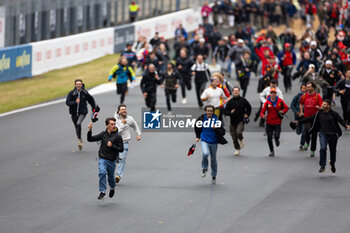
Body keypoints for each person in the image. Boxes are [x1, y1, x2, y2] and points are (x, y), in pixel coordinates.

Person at [294, 100, 350, 173]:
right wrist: (299, 122)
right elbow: (310, 118)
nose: (323, 105)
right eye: (323, 104)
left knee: (333, 151)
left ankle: (332, 163)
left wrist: (346, 125)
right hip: (323, 134)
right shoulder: (319, 113)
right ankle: (322, 166)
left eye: (325, 104)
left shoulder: (333, 114)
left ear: (329, 106)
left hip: (333, 134)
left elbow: (340, 120)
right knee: (323, 148)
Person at [87, 118, 124, 200]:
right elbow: (90, 139)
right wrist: (90, 130)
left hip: (111, 160)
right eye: (111, 124)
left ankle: (112, 187)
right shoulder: (103, 134)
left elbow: (121, 149)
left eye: (114, 124)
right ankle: (103, 191)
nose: (113, 126)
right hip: (102, 158)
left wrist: (112, 146)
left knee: (111, 177)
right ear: (107, 125)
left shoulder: (117, 136)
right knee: (102, 173)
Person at [195, 105, 227, 184]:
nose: (209, 112)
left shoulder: (217, 120)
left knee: (213, 159)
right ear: (205, 111)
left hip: (214, 141)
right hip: (204, 140)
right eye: (208, 111)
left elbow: (223, 132)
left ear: (213, 112)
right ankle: (204, 168)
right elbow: (196, 126)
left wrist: (216, 128)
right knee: (205, 153)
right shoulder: (201, 119)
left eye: (211, 111)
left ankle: (213, 175)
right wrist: (198, 136)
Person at [113, 105, 141, 183]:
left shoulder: (129, 119)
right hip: (115, 143)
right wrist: (123, 124)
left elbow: (135, 125)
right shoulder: (114, 120)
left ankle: (118, 175)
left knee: (122, 159)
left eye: (125, 109)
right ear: (118, 111)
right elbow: (117, 132)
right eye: (122, 109)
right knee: (115, 159)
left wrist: (138, 134)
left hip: (124, 142)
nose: (124, 110)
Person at [66, 79, 96, 151]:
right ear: (75, 85)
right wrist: (75, 102)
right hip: (73, 113)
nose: (78, 85)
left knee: (78, 123)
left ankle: (79, 139)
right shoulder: (72, 93)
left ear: (82, 84)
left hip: (83, 112)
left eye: (80, 84)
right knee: (77, 126)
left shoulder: (84, 92)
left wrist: (94, 108)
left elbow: (91, 100)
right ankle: (79, 139)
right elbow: (67, 102)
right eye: (77, 84)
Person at [260, 88, 289, 157]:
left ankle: (277, 140)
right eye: (271, 93)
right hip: (269, 122)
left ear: (276, 94)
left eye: (274, 93)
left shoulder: (280, 101)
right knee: (269, 137)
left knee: (277, 135)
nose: (273, 94)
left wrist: (282, 111)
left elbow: (286, 108)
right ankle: (271, 151)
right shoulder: (267, 103)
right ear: (270, 94)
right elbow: (262, 112)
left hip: (277, 122)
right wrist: (263, 116)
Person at [223, 86, 251, 156]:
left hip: (241, 120)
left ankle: (241, 140)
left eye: (237, 91)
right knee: (234, 137)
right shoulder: (230, 102)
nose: (236, 92)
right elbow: (225, 111)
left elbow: (249, 108)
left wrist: (247, 114)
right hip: (233, 122)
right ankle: (237, 149)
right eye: (234, 91)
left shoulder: (243, 100)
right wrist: (230, 112)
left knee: (238, 132)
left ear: (239, 92)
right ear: (232, 92)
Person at [299, 81, 323, 157]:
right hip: (306, 116)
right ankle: (307, 141)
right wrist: (301, 111)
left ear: (313, 87)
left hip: (315, 117)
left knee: (314, 134)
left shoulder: (317, 96)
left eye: (309, 87)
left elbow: (322, 106)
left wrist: (318, 107)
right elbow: (301, 103)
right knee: (307, 129)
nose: (307, 88)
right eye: (307, 87)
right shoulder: (304, 96)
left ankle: (312, 150)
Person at [291, 84, 307, 150]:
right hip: (298, 117)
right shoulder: (297, 96)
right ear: (300, 89)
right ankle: (299, 131)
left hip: (305, 117)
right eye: (302, 88)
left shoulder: (308, 97)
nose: (304, 90)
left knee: (304, 131)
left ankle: (302, 144)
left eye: (305, 88)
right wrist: (296, 112)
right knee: (298, 132)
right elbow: (292, 105)